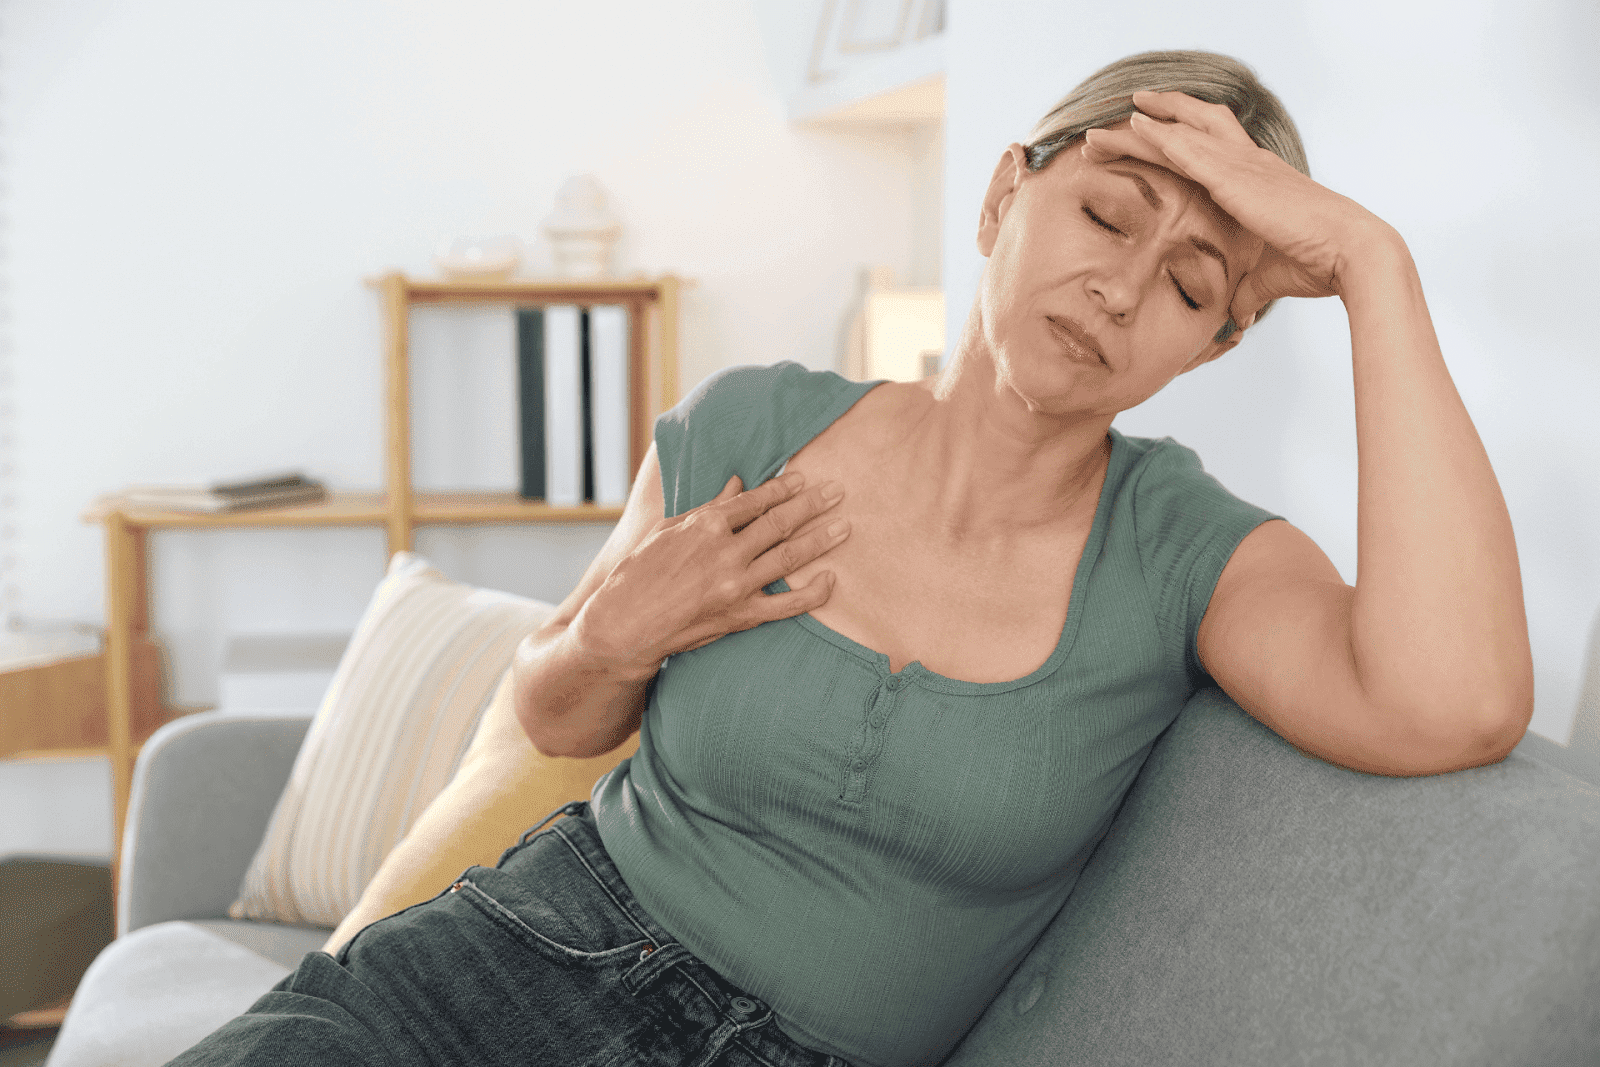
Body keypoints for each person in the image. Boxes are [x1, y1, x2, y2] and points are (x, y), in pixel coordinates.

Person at [168, 48, 1532, 1067]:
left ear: (1218, 344)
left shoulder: (1188, 553)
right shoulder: (751, 423)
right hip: (513, 956)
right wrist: (608, 634)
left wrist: (1371, 263)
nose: (1124, 287)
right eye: (1111, 215)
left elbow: (1453, 700)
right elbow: (556, 712)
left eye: (1190, 285)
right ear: (1008, 192)